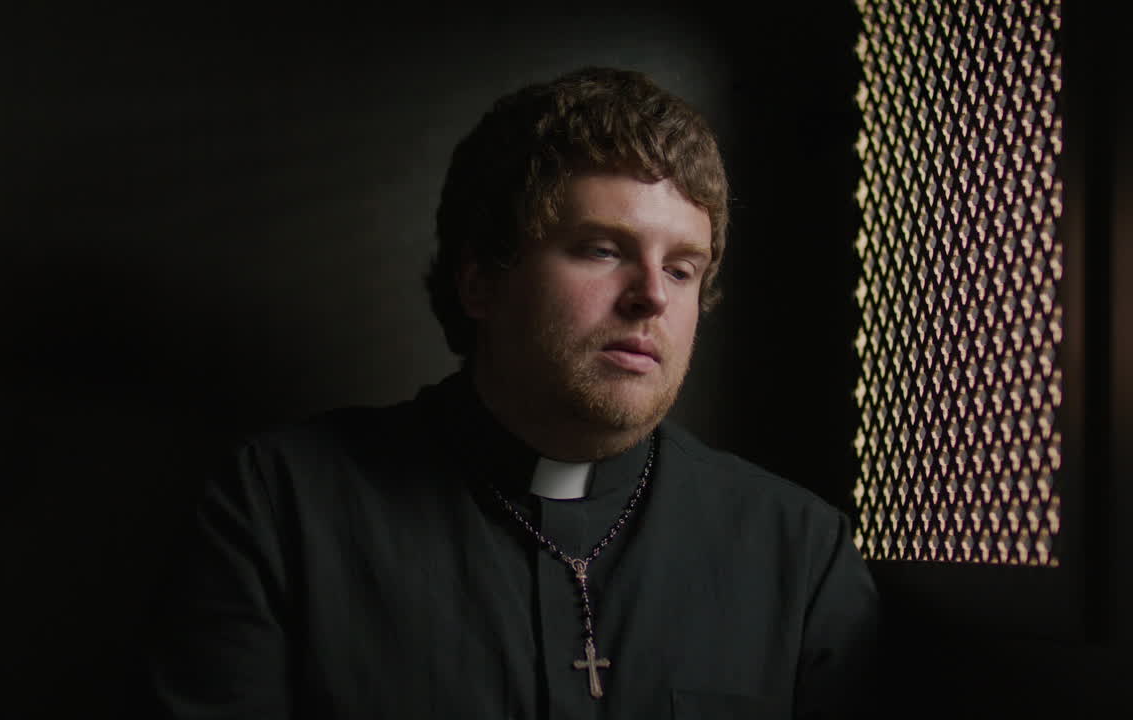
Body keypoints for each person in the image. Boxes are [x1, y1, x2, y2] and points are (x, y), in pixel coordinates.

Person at [146, 66, 880, 719]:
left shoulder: (801, 555)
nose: (652, 295)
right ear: (480, 280)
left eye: (683, 267)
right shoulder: (280, 511)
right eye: (601, 249)